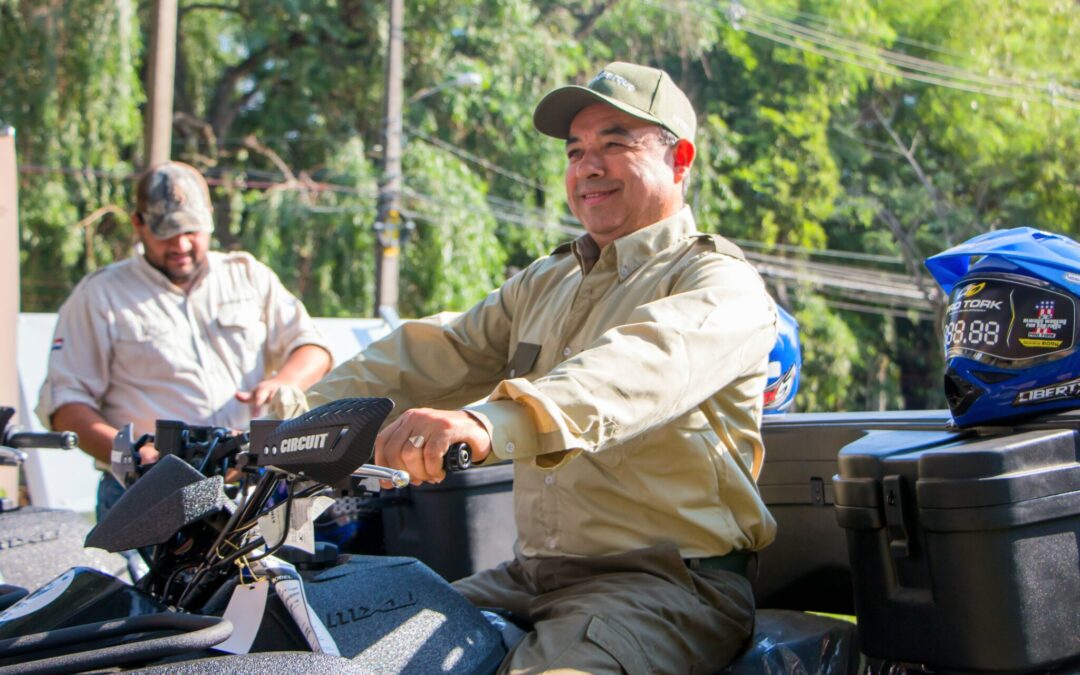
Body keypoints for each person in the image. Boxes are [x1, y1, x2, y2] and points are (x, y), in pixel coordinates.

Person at [274, 62, 778, 673]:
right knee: (350, 642)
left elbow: (629, 373)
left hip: (667, 587)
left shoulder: (718, 282)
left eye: (615, 144)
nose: (588, 166)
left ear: (680, 159)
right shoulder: (550, 279)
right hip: (530, 576)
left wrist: (489, 424)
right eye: (575, 151)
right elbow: (437, 350)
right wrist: (290, 423)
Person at [37, 161, 332, 521]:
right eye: (166, 232)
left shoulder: (247, 276)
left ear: (208, 217)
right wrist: (134, 455)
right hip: (146, 493)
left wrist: (282, 383)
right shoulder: (100, 295)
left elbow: (313, 348)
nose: (181, 244)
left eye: (191, 230)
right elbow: (66, 407)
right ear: (138, 224)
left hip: (246, 488)